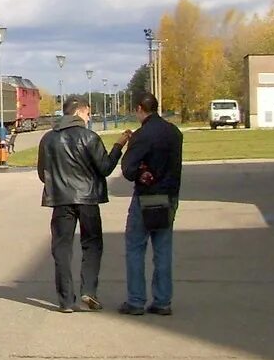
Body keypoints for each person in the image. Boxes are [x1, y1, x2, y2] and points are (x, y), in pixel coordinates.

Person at [37, 95, 127, 312]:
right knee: (92, 244)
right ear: (78, 112)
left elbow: (43, 173)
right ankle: (89, 290)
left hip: (60, 200)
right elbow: (105, 168)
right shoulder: (89, 137)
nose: (89, 118)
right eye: (88, 113)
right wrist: (118, 146)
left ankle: (66, 300)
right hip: (87, 199)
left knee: (62, 248)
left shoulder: (48, 139)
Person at [118, 94, 184, 317]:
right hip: (169, 195)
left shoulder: (142, 135)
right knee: (163, 249)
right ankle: (163, 300)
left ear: (139, 109)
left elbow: (128, 170)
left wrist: (129, 149)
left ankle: (136, 300)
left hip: (146, 197)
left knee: (135, 248)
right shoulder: (174, 132)